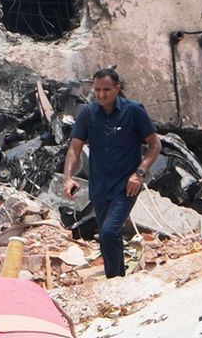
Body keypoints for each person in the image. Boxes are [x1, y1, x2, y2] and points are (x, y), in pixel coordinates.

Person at [62, 68, 162, 278]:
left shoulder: (133, 111)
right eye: (97, 90)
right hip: (99, 187)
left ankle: (115, 279)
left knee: (109, 231)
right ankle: (117, 279)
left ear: (117, 89)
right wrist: (68, 177)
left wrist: (140, 173)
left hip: (126, 186)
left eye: (106, 90)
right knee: (109, 237)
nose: (101, 95)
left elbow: (155, 145)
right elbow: (74, 148)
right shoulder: (88, 114)